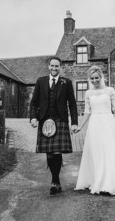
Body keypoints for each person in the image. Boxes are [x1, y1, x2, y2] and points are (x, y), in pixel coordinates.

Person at [74, 65, 115, 196]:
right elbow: (87, 112)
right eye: (92, 78)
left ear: (101, 77)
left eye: (96, 78)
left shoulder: (110, 91)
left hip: (107, 122)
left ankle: (110, 183)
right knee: (96, 151)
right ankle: (97, 181)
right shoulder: (88, 93)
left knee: (109, 150)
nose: (94, 81)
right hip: (94, 124)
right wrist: (81, 127)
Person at [29, 56, 79, 195]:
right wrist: (33, 117)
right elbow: (34, 102)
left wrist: (74, 123)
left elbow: (73, 104)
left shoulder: (66, 82)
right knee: (50, 153)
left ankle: (55, 181)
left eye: (57, 66)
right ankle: (56, 180)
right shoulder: (41, 81)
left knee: (56, 152)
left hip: (60, 120)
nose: (54, 68)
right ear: (48, 66)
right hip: (45, 121)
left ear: (60, 67)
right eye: (52, 66)